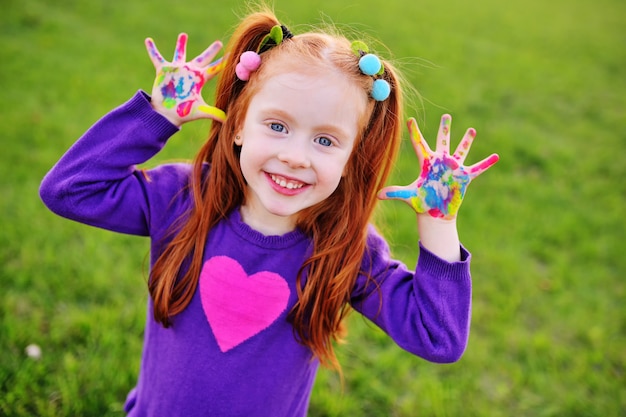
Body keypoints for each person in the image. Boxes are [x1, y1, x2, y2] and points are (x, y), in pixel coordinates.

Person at [39, 6, 499, 417]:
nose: (296, 156)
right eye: (277, 126)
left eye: (325, 140)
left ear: (351, 157)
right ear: (238, 124)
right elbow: (69, 189)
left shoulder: (345, 251)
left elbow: (438, 336)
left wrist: (439, 224)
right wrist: (158, 115)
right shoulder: (182, 198)